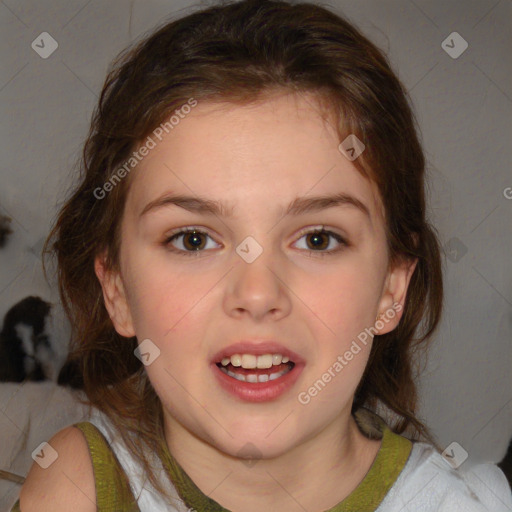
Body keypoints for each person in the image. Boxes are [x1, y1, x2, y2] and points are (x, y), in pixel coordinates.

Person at [13, 0, 512, 510]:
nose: (257, 294)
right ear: (115, 289)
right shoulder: (80, 487)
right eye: (193, 239)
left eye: (318, 239)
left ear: (392, 286)